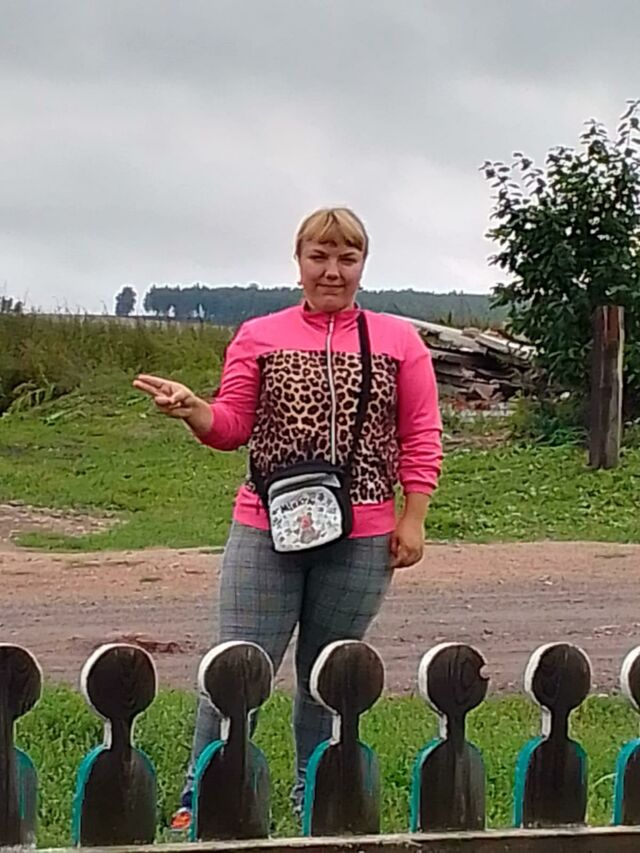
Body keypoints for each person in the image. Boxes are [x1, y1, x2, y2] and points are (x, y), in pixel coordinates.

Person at [133, 207, 443, 830]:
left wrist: (413, 517)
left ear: (363, 265)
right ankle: (203, 797)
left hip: (362, 533)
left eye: (347, 258)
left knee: (330, 676)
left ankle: (316, 797)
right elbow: (232, 426)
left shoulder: (398, 342)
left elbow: (420, 433)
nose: (332, 271)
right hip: (265, 528)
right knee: (237, 667)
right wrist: (194, 410)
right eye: (319, 256)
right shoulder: (259, 335)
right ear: (298, 262)